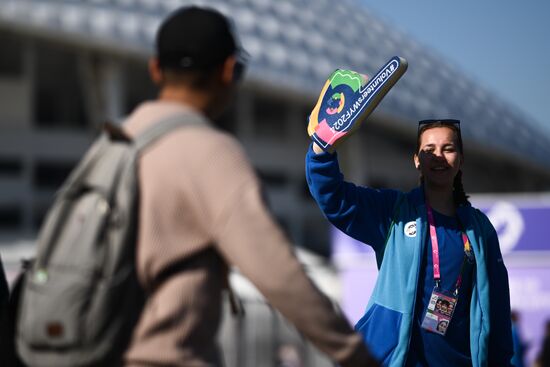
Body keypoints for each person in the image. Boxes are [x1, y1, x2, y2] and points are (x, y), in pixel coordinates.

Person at [121, 6, 376, 367]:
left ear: (155, 69)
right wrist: (355, 354)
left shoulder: (114, 143)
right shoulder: (210, 152)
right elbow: (280, 277)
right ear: (229, 71)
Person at [305, 118, 514, 366]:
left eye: (448, 148)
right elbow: (336, 198)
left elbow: (498, 311)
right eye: (429, 150)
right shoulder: (393, 211)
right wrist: (322, 149)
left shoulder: (480, 230)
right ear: (417, 160)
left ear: (460, 159)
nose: (438, 156)